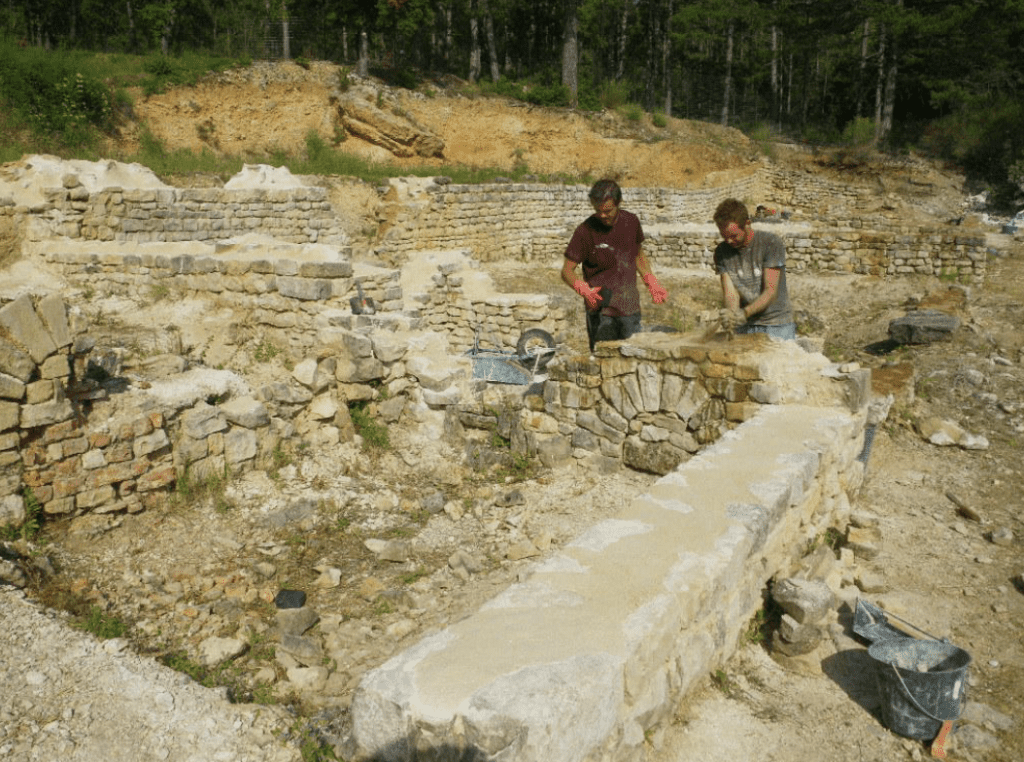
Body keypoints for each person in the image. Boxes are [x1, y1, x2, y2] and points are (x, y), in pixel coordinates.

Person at [561, 179, 668, 353]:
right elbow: (567, 271)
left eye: (607, 211)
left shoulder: (631, 222)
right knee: (604, 360)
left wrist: (651, 282)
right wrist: (583, 288)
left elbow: (638, 255)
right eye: (598, 211)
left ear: (618, 203)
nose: (602, 215)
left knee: (633, 358)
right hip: (600, 311)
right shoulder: (585, 231)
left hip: (629, 307)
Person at [712, 197, 796, 339]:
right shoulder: (722, 252)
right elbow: (731, 292)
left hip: (776, 325)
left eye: (733, 236)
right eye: (724, 236)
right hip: (744, 326)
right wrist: (732, 315)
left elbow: (770, 291)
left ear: (747, 224)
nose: (729, 241)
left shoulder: (770, 243)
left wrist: (745, 313)